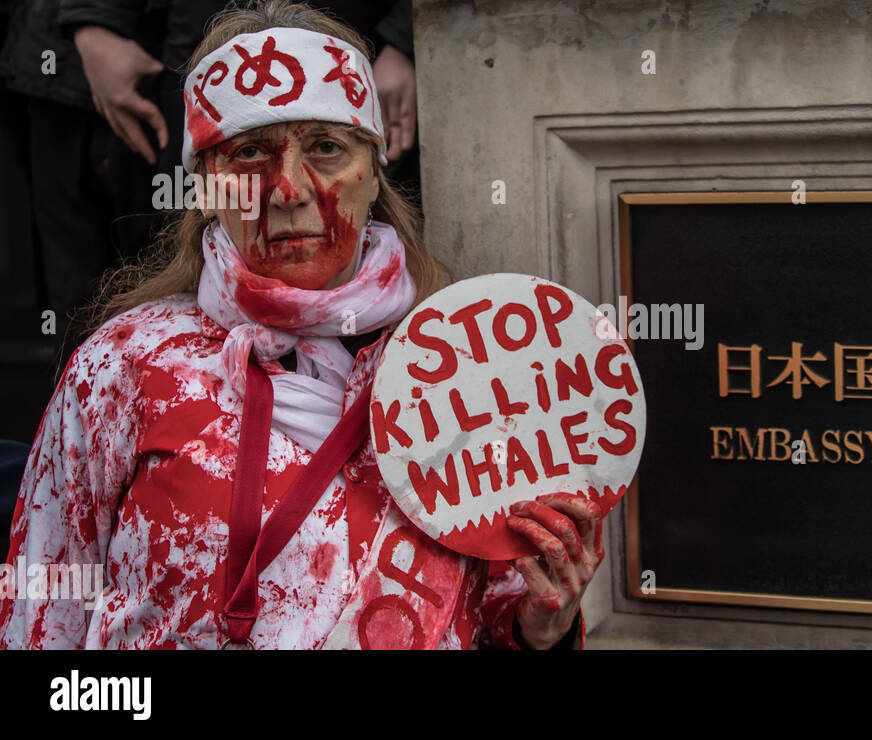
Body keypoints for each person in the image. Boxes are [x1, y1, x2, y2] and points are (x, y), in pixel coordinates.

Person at [0, 0, 602, 650]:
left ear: (374, 174)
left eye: (326, 147)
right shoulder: (123, 366)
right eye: (250, 153)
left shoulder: (469, 370)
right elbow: (42, 617)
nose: (289, 189)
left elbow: (494, 618)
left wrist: (541, 630)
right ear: (205, 186)